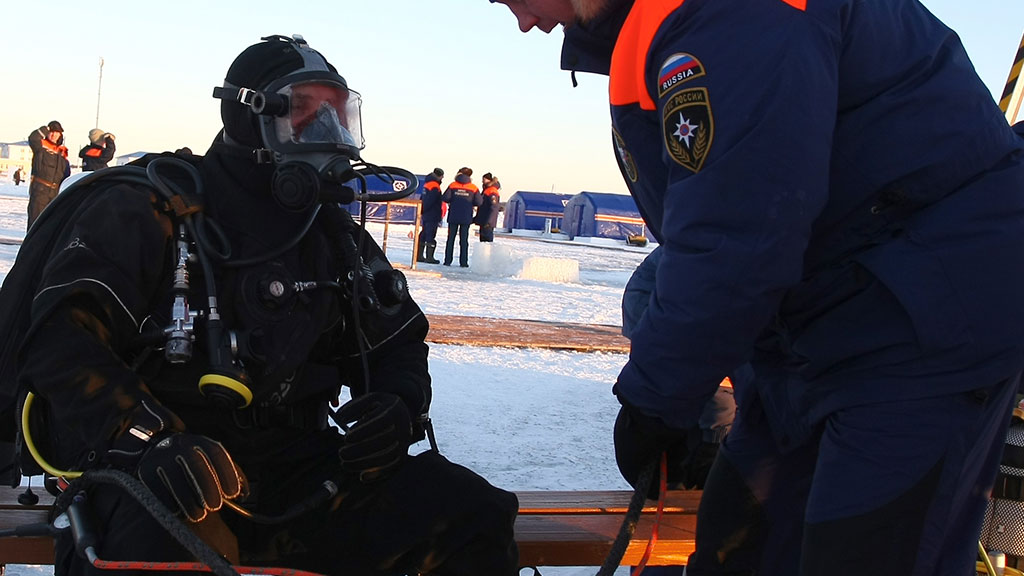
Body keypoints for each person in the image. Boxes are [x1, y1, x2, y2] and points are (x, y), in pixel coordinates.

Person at [486, 1, 1024, 575]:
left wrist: (657, 399)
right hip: (816, 337)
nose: (522, 20)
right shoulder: (665, 26)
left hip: (918, 326)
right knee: (739, 549)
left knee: (861, 552)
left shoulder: (738, 12)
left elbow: (739, 232)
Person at [6, 34, 518, 576]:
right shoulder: (147, 210)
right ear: (250, 115)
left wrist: (397, 405)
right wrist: (145, 437)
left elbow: (396, 342)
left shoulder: (329, 231)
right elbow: (62, 340)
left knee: (469, 514)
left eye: (337, 112)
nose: (327, 131)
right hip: (162, 468)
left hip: (302, 468)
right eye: (304, 111)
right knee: (166, 555)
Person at [26, 120, 69, 229]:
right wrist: (44, 129)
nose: (54, 135)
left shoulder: (62, 152)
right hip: (41, 191)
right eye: (52, 132)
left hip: (55, 193)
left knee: (50, 225)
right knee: (35, 223)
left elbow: (65, 174)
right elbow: (33, 138)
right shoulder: (41, 147)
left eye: (57, 132)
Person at [441, 166, 481, 267]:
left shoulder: (453, 185)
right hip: (466, 217)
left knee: (450, 239)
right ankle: (463, 262)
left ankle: (447, 261)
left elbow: (445, 198)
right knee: (464, 240)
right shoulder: (473, 187)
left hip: (453, 215)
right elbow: (479, 202)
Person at [418, 167, 445, 263]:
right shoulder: (435, 186)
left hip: (426, 213)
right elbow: (431, 200)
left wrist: (422, 210)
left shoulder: (427, 184)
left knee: (424, 233)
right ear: (440, 176)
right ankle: (429, 257)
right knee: (430, 235)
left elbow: (423, 198)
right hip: (432, 213)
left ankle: (419, 255)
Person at [474, 172, 501, 242]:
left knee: (487, 241)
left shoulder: (492, 191)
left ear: (489, 180)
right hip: (484, 220)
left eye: (484, 179)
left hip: (487, 222)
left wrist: (489, 221)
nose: (482, 181)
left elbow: (494, 207)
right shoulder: (486, 190)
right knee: (483, 241)